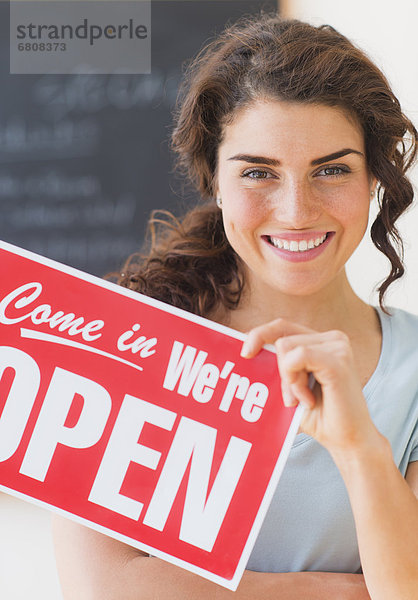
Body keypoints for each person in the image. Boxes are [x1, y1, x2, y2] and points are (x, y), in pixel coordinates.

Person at [53, 12, 418, 600]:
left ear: (375, 177)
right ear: (215, 180)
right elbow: (104, 586)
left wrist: (359, 446)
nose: (297, 210)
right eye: (258, 173)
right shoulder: (121, 343)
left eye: (332, 169)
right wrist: (341, 591)